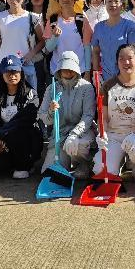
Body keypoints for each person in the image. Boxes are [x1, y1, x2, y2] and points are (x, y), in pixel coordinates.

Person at [95, 44, 135, 182]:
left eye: (130, 58)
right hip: (114, 136)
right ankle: (120, 161)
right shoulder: (108, 85)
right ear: (117, 62)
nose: (126, 62)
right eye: (121, 59)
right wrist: (102, 133)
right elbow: (104, 117)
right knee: (101, 170)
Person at [37, 51, 96, 179]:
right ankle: (67, 162)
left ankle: (84, 163)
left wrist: (74, 134)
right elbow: (44, 118)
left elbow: (88, 116)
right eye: (64, 69)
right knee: (48, 174)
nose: (68, 72)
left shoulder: (87, 88)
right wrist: (51, 111)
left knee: (77, 145)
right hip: (60, 135)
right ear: (59, 69)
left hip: (82, 133)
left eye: (71, 69)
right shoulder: (51, 89)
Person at [0, 55, 43, 179]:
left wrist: (1, 134)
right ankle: (11, 162)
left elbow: (25, 120)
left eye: (15, 71)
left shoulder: (31, 94)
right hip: (4, 140)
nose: (12, 75)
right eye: (7, 72)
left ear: (21, 72)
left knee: (19, 133)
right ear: (1, 74)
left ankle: (25, 165)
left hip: (26, 139)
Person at [0, 0, 42, 93]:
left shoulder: (32, 17)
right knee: (4, 100)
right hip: (4, 67)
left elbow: (42, 41)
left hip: (25, 65)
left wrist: (31, 53)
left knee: (29, 101)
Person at [43, 0, 92, 79]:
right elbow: (48, 49)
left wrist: (87, 72)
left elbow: (87, 47)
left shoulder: (82, 20)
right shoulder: (53, 20)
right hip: (58, 71)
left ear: (75, 0)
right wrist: (54, 37)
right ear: (58, 0)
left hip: (79, 71)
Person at [91, 0, 135, 82]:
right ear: (105, 4)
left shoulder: (129, 26)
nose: (112, 4)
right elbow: (96, 52)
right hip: (105, 77)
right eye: (109, 1)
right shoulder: (99, 27)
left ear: (122, 5)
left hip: (126, 76)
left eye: (116, 1)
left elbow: (134, 53)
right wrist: (96, 74)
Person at [25, 0, 51, 99]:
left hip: (50, 57)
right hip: (30, 59)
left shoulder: (52, 15)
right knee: (35, 89)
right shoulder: (24, 15)